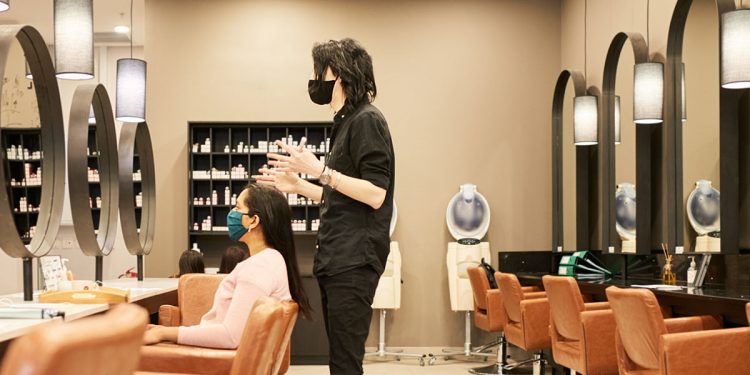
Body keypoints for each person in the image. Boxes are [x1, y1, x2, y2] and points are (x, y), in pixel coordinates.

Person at [256, 38, 395, 374]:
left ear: (343, 76)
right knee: (339, 359)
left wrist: (321, 171)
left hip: (354, 260)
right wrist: (301, 186)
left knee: (345, 363)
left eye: (319, 72)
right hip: (336, 259)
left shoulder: (367, 121)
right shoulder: (346, 124)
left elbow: (376, 193)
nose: (313, 78)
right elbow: (346, 196)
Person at [143, 183, 312, 348]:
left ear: (253, 220)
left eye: (238, 208)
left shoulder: (257, 269)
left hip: (215, 357)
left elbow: (230, 337)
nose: (232, 213)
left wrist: (164, 333)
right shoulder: (273, 259)